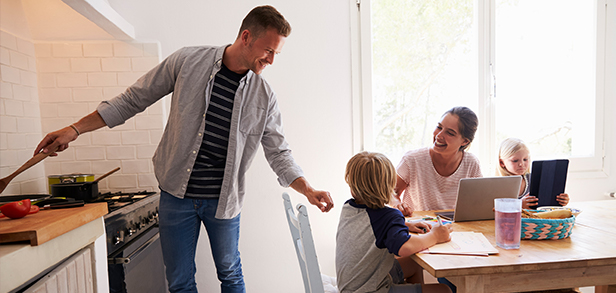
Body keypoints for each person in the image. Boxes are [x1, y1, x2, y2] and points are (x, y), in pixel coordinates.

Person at [33, 5, 333, 293]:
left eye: (276, 53)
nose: (271, 60)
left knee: (230, 272)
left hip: (224, 201)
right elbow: (131, 100)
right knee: (179, 281)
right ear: (246, 37)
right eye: (269, 50)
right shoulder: (188, 61)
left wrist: (307, 189)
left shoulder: (264, 97)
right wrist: (73, 130)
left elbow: (279, 152)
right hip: (176, 196)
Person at [336, 151, 452, 293]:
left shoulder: (348, 207)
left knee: (413, 263)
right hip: (370, 289)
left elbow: (368, 227)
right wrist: (435, 236)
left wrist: (405, 225)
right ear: (389, 185)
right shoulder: (389, 216)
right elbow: (405, 248)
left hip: (351, 285)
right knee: (444, 290)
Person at [391, 106, 482, 217]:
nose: (439, 135)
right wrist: (397, 204)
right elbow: (391, 192)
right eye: (439, 127)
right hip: (420, 227)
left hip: (455, 228)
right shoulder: (412, 159)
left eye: (450, 133)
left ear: (464, 141)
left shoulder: (471, 163)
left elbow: (479, 201)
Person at [497, 138, 570, 209]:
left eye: (525, 159)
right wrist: (519, 205)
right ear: (501, 162)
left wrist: (561, 201)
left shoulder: (534, 179)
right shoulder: (498, 184)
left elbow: (544, 207)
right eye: (515, 160)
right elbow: (494, 209)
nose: (521, 164)